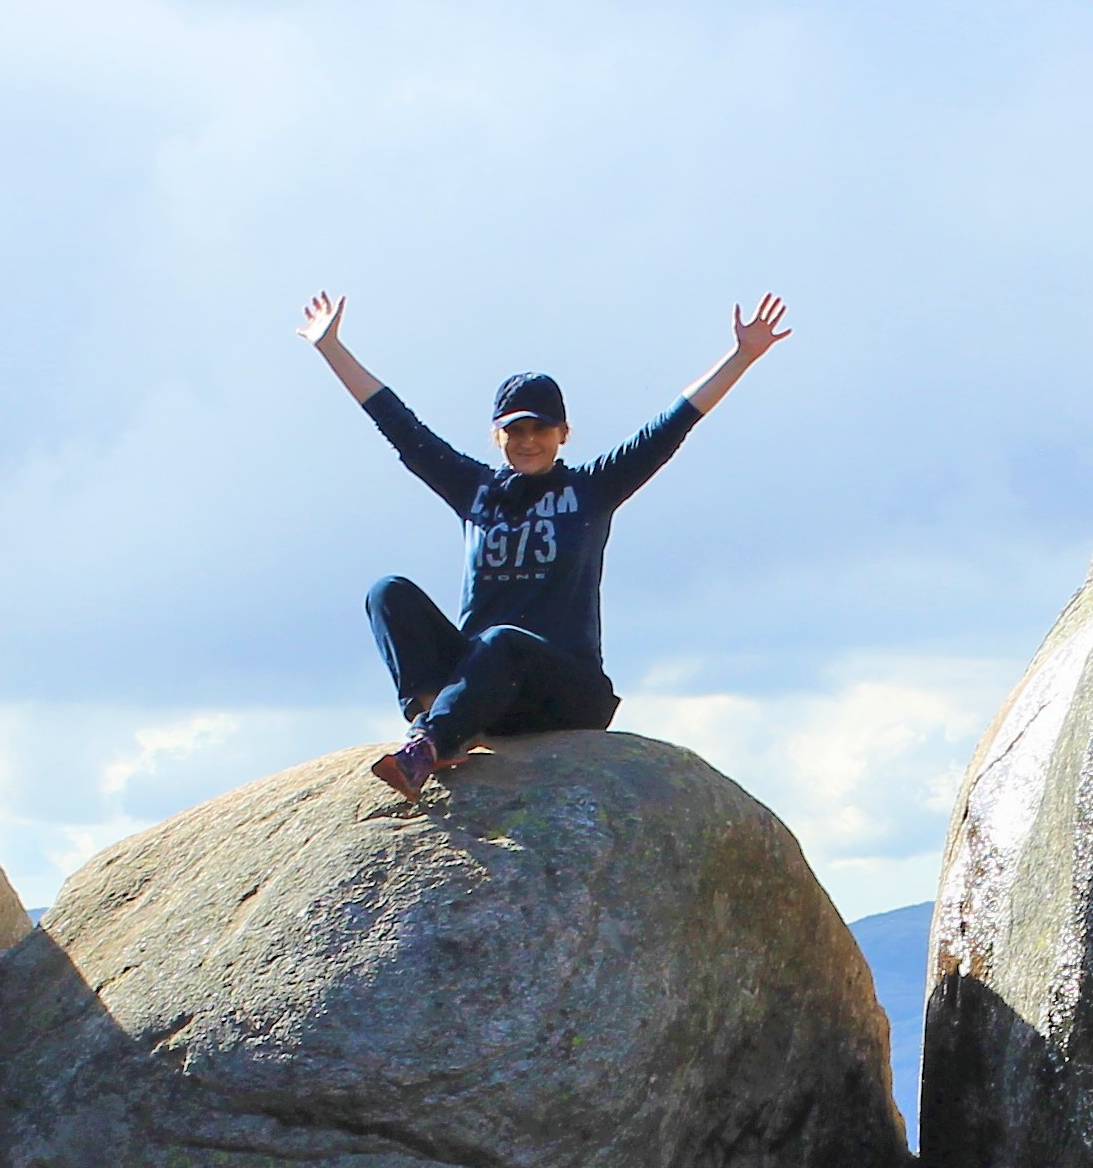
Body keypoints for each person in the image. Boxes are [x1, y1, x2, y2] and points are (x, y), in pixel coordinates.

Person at [301, 289, 790, 798]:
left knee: (501, 640)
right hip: (483, 685)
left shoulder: (591, 489)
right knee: (389, 592)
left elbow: (672, 425)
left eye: (540, 428)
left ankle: (432, 743)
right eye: (515, 430)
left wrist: (742, 357)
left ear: (563, 433)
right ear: (498, 436)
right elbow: (399, 426)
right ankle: (437, 722)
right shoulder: (477, 491)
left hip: (563, 691)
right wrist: (330, 347)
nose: (528, 440)